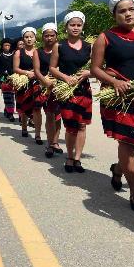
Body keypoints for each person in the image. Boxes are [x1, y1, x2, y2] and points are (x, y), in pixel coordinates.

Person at [90, 0, 134, 213]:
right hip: (117, 97)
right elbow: (95, 69)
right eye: (122, 11)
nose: (128, 14)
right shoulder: (106, 37)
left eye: (131, 9)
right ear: (114, 15)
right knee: (127, 143)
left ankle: (118, 168)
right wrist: (114, 82)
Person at [49, 11, 92, 173]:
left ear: (82, 27)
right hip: (67, 91)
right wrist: (65, 78)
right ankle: (69, 156)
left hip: (84, 91)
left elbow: (96, 67)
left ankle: (77, 158)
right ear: (66, 27)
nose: (75, 28)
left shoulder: (89, 46)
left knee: (82, 125)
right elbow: (52, 69)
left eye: (78, 25)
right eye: (72, 25)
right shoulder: (59, 46)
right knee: (70, 126)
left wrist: (89, 73)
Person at [32, 23, 63, 158]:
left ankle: (56, 141)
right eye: (46, 36)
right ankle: (50, 144)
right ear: (42, 37)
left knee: (58, 116)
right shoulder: (37, 52)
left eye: (52, 35)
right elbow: (37, 70)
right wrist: (45, 81)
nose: (49, 38)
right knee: (49, 115)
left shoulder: (61, 49)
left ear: (56, 36)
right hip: (45, 86)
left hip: (59, 86)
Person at [12, 27, 39, 140]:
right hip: (23, 83)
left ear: (35, 38)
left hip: (37, 82)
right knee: (24, 107)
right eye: (26, 37)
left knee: (37, 108)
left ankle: (37, 134)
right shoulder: (19, 52)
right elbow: (15, 68)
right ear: (23, 39)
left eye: (31, 37)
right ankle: (24, 128)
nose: (29, 39)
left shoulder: (39, 51)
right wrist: (27, 73)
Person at [0, 38, 17, 121]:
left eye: (8, 45)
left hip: (14, 78)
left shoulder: (14, 56)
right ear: (2, 46)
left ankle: (7, 110)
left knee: (13, 96)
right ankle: (10, 113)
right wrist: (0, 81)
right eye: (5, 45)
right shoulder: (0, 57)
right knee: (8, 97)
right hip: (4, 79)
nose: (7, 47)